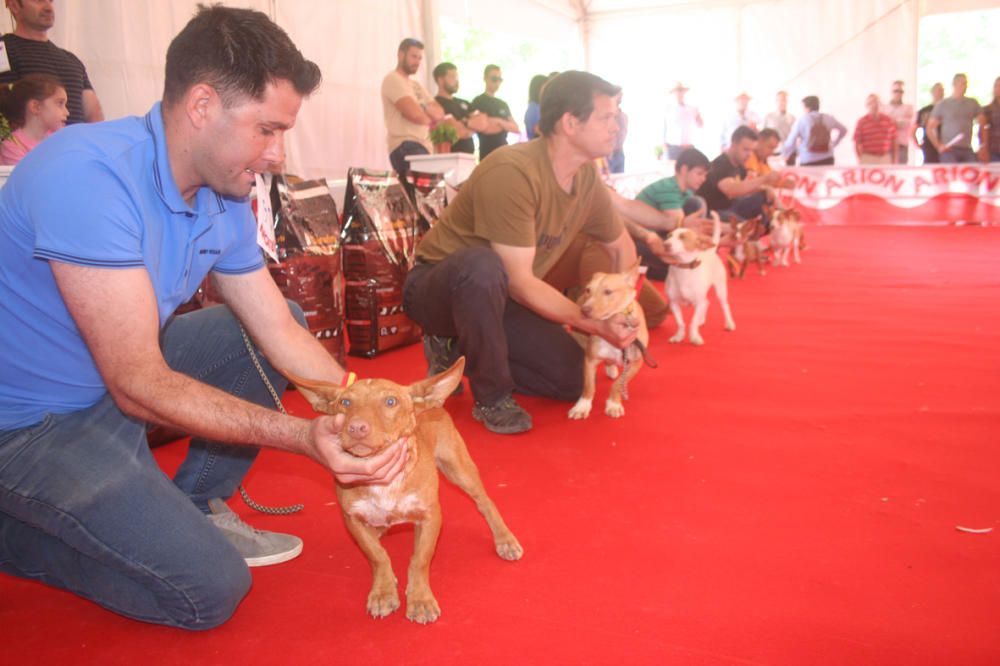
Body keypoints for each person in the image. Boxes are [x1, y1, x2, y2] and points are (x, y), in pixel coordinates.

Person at [0, 5, 406, 630]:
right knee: (207, 591)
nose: (277, 154)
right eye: (266, 130)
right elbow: (137, 382)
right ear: (201, 106)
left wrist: (363, 406)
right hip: (28, 427)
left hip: (111, 387)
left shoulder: (224, 194)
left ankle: (192, 499)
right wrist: (304, 438)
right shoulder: (88, 175)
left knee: (280, 320)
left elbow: (277, 329)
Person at [402, 71, 638, 435]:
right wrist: (594, 322)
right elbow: (522, 282)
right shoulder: (513, 171)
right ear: (570, 123)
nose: (616, 126)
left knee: (572, 378)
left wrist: (623, 310)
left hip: (502, 295)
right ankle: (489, 394)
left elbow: (621, 246)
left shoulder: (586, 177)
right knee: (482, 267)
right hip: (439, 288)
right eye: (606, 116)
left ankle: (465, 352)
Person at [0, 0, 103, 124]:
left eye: (50, 1)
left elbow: (94, 115)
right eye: (39, 1)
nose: (49, 7)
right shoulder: (2, 49)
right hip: (28, 143)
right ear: (14, 6)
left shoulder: (72, 60)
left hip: (77, 143)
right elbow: (5, 111)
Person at [631, 147, 711, 280]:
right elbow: (682, 230)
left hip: (659, 234)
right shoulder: (667, 188)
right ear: (684, 169)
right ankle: (647, 268)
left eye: (705, 175)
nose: (703, 179)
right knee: (679, 265)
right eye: (700, 173)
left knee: (696, 203)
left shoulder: (686, 192)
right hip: (640, 239)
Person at [380, 38, 444, 178]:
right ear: (401, 54)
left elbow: (439, 113)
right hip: (405, 145)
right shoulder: (392, 79)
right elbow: (415, 115)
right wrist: (427, 112)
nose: (417, 62)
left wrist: (421, 107)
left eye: (420, 58)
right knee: (424, 193)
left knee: (428, 194)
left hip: (423, 147)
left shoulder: (416, 85)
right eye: (414, 56)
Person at [698, 125, 781, 229]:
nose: (749, 154)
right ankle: (758, 232)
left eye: (752, 150)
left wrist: (766, 188)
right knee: (745, 227)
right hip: (714, 212)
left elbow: (745, 187)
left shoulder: (740, 166)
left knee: (764, 196)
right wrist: (764, 179)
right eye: (746, 150)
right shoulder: (720, 164)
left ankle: (771, 228)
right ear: (733, 145)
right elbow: (731, 190)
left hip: (731, 207)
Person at [0, 72, 66, 165]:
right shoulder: (12, 146)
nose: (67, 112)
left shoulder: (58, 139)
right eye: (60, 103)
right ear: (36, 107)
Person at [926, 73, 984, 164]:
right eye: (962, 84)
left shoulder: (972, 103)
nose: (965, 87)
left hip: (967, 148)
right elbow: (929, 128)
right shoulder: (943, 104)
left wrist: (982, 145)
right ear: (954, 85)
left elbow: (983, 123)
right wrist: (939, 146)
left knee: (971, 174)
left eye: (966, 84)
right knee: (951, 176)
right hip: (949, 150)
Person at [432, 61, 487, 155]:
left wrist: (464, 122)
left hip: (469, 159)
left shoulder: (464, 103)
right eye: (452, 77)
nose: (457, 81)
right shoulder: (435, 104)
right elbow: (456, 132)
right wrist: (471, 128)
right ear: (440, 80)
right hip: (449, 158)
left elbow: (483, 123)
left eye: (457, 77)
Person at [782, 95, 847, 166]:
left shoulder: (802, 120)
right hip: (827, 158)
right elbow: (844, 130)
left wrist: (785, 154)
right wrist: (834, 144)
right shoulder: (828, 117)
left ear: (806, 107)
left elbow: (791, 141)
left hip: (808, 159)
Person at [471, 64, 519, 160]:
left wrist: (498, 122)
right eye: (494, 79)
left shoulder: (502, 104)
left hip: (504, 150)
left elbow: (515, 128)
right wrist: (504, 125)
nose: (497, 82)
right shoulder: (478, 101)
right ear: (485, 78)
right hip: (487, 152)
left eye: (499, 79)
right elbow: (483, 127)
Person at [663, 82, 703, 160]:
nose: (679, 93)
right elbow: (663, 127)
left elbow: (700, 125)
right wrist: (664, 144)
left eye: (681, 91)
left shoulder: (692, 108)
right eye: (677, 91)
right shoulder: (668, 109)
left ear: (684, 92)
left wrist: (698, 116)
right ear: (673, 93)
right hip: (673, 147)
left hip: (688, 147)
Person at [853, 93, 897, 165]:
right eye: (871, 103)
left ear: (881, 104)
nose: (874, 105)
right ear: (867, 106)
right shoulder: (861, 122)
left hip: (885, 157)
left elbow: (894, 141)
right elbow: (857, 142)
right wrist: (860, 159)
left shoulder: (888, 120)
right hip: (868, 157)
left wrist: (894, 159)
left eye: (876, 102)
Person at [883, 80, 914, 164]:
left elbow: (908, 123)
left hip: (902, 144)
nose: (898, 94)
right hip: (886, 145)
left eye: (901, 91)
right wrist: (897, 122)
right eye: (896, 91)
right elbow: (883, 124)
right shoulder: (884, 107)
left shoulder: (908, 108)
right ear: (891, 92)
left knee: (901, 171)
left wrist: (892, 121)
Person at [913, 82, 944, 164]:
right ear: (932, 93)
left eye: (942, 91)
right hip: (928, 145)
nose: (940, 93)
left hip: (944, 144)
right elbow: (913, 130)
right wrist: (918, 145)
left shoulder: (948, 110)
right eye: (938, 90)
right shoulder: (924, 111)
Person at [977, 76, 999, 163]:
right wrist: (983, 148)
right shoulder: (987, 109)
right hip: (993, 150)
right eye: (996, 86)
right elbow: (983, 129)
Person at [607, 91, 628, 173]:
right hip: (609, 154)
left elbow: (622, 135)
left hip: (618, 152)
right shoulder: (608, 116)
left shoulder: (622, 116)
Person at [524, 74, 547, 139]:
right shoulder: (534, 109)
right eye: (545, 87)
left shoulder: (538, 107)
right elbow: (539, 130)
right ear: (537, 88)